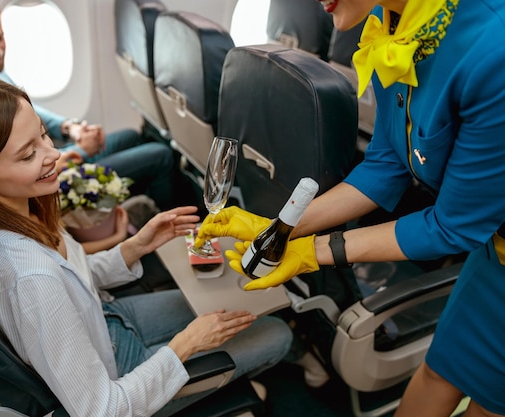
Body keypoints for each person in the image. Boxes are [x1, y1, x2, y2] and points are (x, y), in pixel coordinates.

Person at [197, 0, 505, 416]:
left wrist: (315, 251)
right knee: (439, 373)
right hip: (492, 248)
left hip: (484, 234)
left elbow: (452, 227)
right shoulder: (386, 24)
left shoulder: (492, 46)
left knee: (485, 405)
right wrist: (280, 228)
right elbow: (387, 162)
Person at [0, 78, 293, 416]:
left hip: (106, 323)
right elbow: (101, 409)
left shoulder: (9, 214)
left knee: (233, 303)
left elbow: (71, 280)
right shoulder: (28, 277)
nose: (52, 154)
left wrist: (135, 246)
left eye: (42, 135)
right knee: (278, 333)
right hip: (114, 372)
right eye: (27, 155)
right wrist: (186, 345)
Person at [0, 0, 176, 210]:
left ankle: (134, 211)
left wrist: (69, 127)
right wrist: (81, 150)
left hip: (51, 157)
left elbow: (24, 108)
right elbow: (21, 163)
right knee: (161, 156)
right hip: (45, 179)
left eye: (0, 37)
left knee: (132, 137)